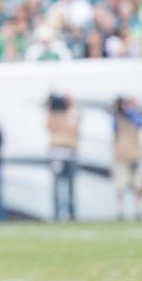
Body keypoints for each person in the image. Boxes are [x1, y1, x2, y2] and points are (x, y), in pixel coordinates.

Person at [46, 93, 80, 221]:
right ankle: (56, 214)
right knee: (56, 187)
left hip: (70, 153)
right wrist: (51, 107)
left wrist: (71, 106)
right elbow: (50, 127)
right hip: (57, 154)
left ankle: (72, 214)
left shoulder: (73, 115)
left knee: (71, 187)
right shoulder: (53, 115)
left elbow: (74, 129)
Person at [112, 96, 142, 220]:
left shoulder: (136, 117)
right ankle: (120, 211)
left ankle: (138, 210)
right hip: (121, 157)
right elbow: (114, 127)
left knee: (138, 186)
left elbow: (140, 123)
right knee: (120, 186)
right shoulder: (117, 118)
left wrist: (131, 112)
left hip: (135, 156)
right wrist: (119, 110)